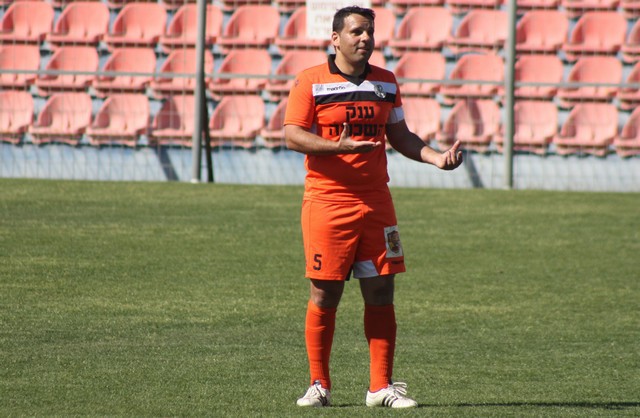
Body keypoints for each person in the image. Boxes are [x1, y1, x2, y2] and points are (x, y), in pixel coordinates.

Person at [283, 5, 463, 409]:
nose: (365, 38)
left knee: (382, 289)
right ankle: (319, 384)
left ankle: (380, 387)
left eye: (370, 32)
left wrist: (435, 158)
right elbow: (293, 135)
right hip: (327, 201)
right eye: (357, 32)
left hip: (377, 202)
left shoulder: (386, 81)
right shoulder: (310, 81)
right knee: (325, 292)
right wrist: (337, 147)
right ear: (335, 39)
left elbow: (400, 134)